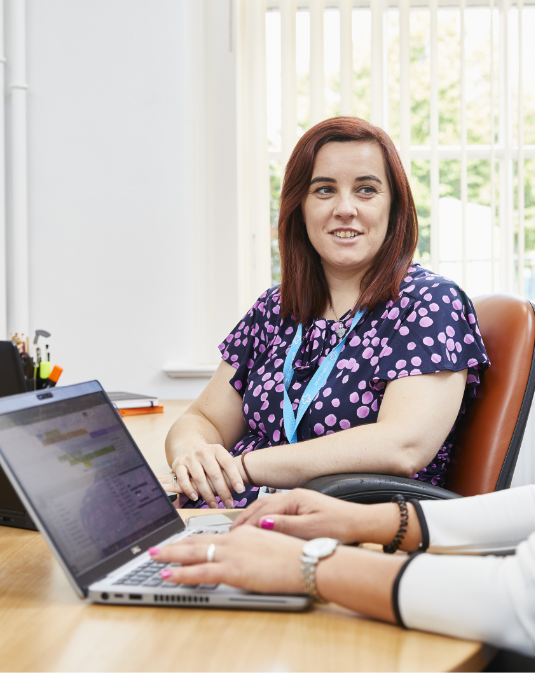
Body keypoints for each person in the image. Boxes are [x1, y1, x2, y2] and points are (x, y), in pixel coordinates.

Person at [152, 7, 535, 673]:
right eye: (324, 190)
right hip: (277, 526)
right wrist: (356, 522)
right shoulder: (272, 310)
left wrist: (311, 563)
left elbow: (532, 599)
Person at [161, 117, 490, 511]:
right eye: (324, 190)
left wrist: (243, 466)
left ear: (394, 206)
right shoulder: (274, 308)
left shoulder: (429, 303)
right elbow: (203, 418)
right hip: (227, 520)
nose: (345, 209)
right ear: (300, 207)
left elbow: (402, 445)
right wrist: (194, 452)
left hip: (343, 533)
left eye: (366, 190)